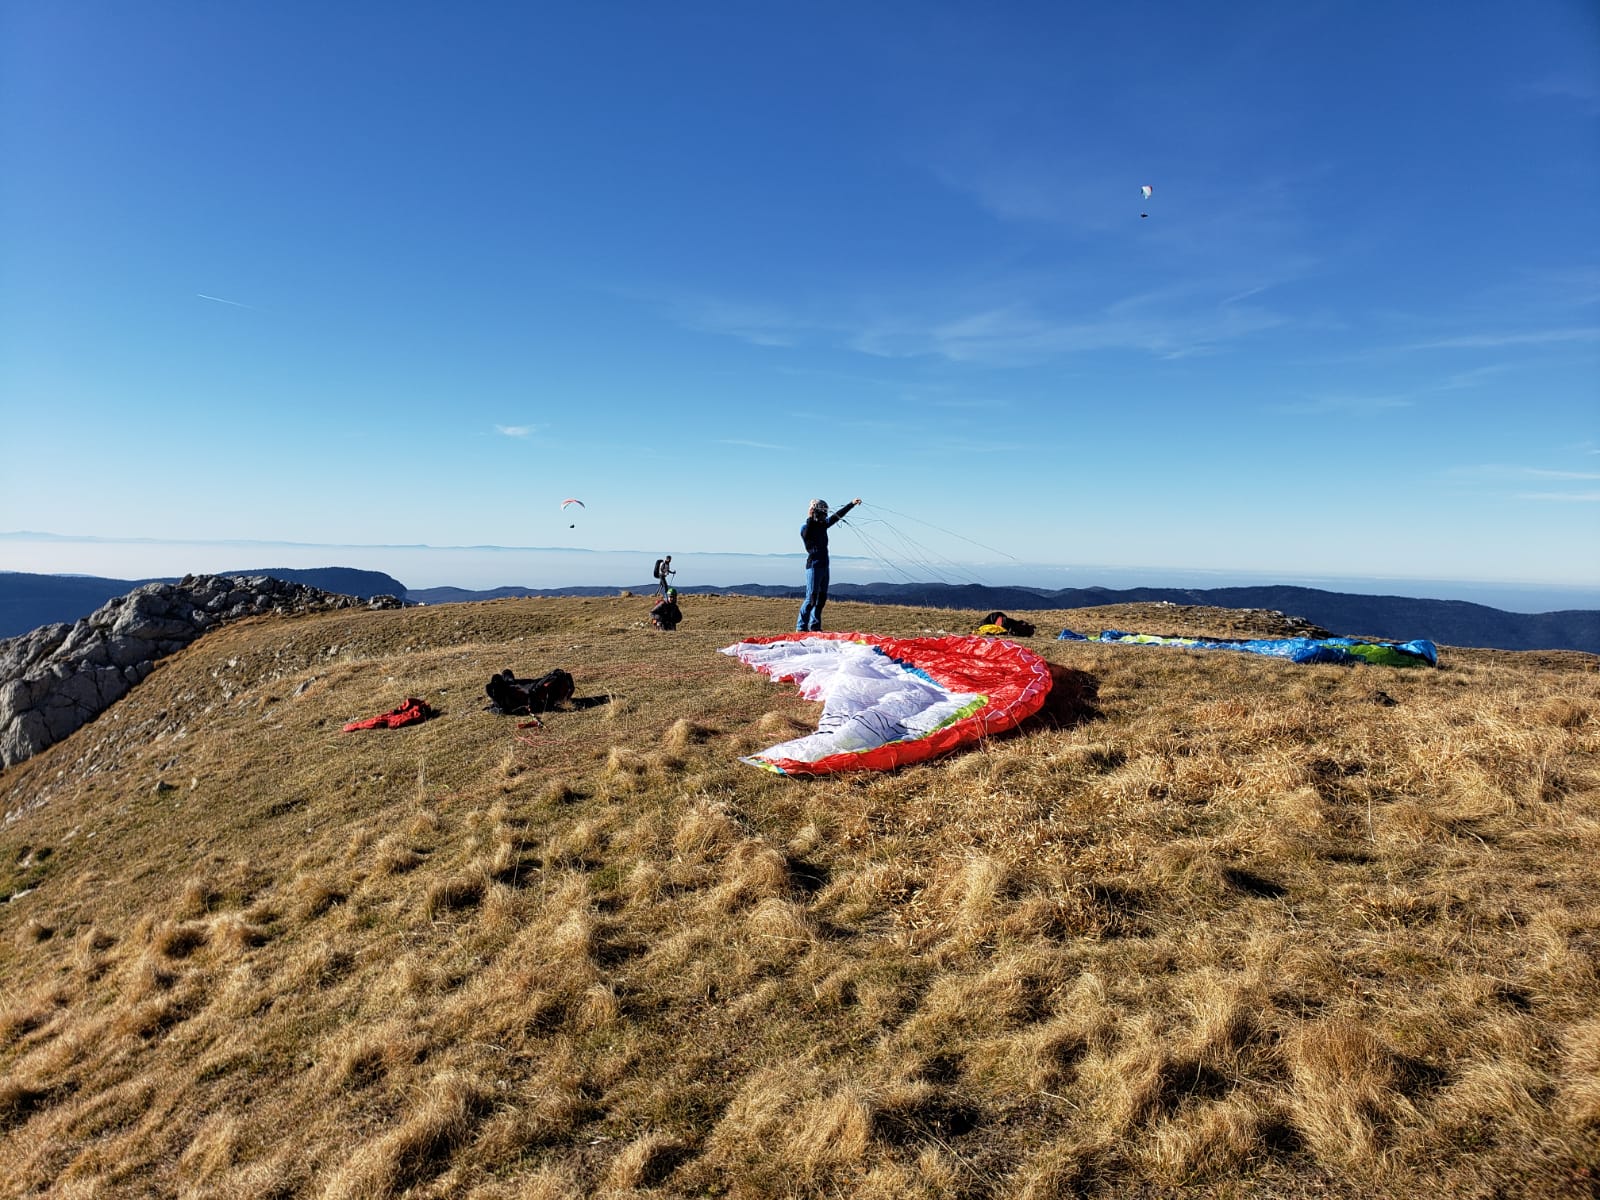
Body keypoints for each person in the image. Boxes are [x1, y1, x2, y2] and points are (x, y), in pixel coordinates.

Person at [796, 497, 860, 632]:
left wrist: (851, 504)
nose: (825, 515)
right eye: (823, 512)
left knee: (821, 599)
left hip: (825, 566)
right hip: (813, 566)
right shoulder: (806, 527)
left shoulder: (823, 525)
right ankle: (801, 627)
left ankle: (815, 626)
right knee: (811, 598)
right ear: (815, 512)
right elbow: (806, 534)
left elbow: (837, 516)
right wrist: (810, 518)